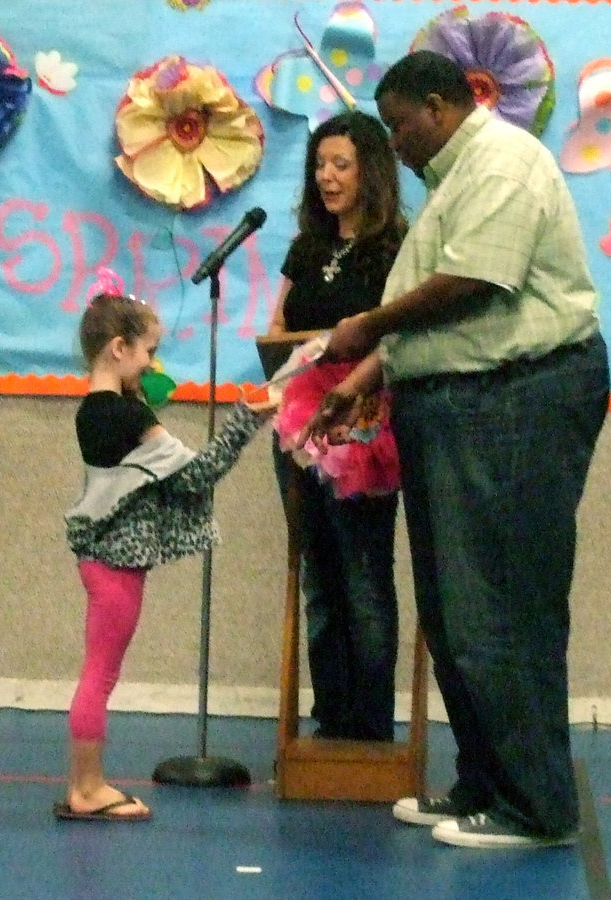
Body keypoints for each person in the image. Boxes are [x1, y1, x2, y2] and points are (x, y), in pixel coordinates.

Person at [300, 50, 610, 848]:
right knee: (451, 610)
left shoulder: (503, 163)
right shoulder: (453, 182)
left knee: (501, 605)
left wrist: (368, 326)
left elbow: (477, 283)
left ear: (441, 107)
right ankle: (483, 782)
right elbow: (438, 315)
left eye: (401, 126)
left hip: (516, 398)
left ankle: (534, 807)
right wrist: (367, 373)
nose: (393, 144)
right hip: (456, 401)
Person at [57, 289, 275, 822]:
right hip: (115, 566)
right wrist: (247, 419)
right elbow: (197, 474)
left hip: (104, 561)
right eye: (148, 351)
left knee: (99, 672)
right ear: (118, 348)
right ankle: (86, 788)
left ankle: (87, 783)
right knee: (99, 674)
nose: (153, 363)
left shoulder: (96, 410)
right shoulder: (126, 416)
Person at [267, 110, 408, 742]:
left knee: (363, 574)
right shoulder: (306, 247)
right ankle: (331, 721)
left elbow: (401, 337)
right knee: (318, 573)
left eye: (341, 164)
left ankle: (370, 727)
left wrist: (357, 388)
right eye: (319, 165)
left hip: (361, 423)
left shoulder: (394, 247)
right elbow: (279, 332)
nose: (326, 177)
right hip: (299, 424)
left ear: (371, 172)